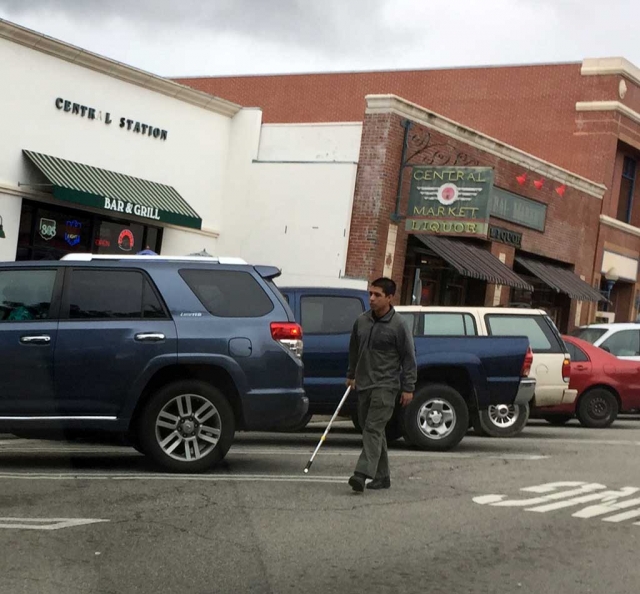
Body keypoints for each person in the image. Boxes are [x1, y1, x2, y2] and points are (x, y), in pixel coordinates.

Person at [346, 277, 417, 492]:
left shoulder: (399, 325)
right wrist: (351, 374)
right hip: (364, 384)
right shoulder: (361, 321)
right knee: (375, 432)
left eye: (377, 295)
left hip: (386, 386)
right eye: (370, 294)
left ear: (389, 297)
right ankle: (382, 476)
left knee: (372, 428)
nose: (372, 298)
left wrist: (408, 387)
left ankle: (361, 474)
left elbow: (409, 358)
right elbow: (354, 350)